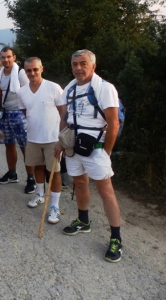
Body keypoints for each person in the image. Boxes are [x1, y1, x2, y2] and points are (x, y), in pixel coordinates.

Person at [54, 49, 123, 263]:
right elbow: (65, 117)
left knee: (106, 192)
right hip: (74, 147)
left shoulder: (104, 88)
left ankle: (116, 238)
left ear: (93, 65)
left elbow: (113, 124)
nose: (78, 68)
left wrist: (107, 151)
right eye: (74, 64)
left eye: (83, 63)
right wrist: (60, 140)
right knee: (80, 184)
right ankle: (83, 221)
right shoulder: (70, 87)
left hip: (97, 148)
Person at [17, 57, 64, 224]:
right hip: (33, 138)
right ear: (25, 72)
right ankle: (39, 194)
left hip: (52, 139)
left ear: (41, 69)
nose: (32, 73)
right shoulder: (21, 92)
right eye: (28, 70)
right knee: (37, 167)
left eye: (35, 69)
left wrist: (62, 137)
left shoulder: (53, 87)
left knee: (54, 172)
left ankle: (55, 206)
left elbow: (63, 112)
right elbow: (25, 113)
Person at [0, 46, 32, 193]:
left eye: (9, 57)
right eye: (3, 57)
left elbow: (29, 94)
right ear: (0, 59)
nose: (6, 60)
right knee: (9, 145)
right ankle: (12, 174)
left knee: (25, 147)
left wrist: (28, 115)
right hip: (5, 113)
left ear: (14, 57)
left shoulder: (21, 74)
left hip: (19, 113)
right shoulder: (0, 74)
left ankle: (31, 178)